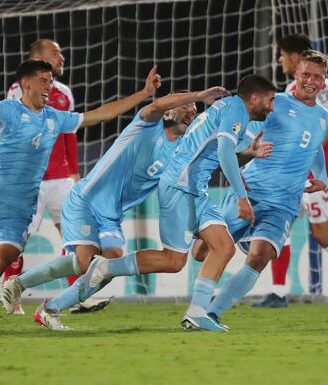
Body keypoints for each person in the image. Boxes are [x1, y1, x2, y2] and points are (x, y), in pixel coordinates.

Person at [0, 47, 162, 326]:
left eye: (50, 81)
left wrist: (143, 94)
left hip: (20, 209)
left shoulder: (54, 117)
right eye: (43, 80)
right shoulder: (10, 110)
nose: (49, 86)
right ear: (26, 83)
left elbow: (100, 114)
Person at [0, 87, 230, 330]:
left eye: (195, 111)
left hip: (112, 215)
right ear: (168, 111)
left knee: (107, 266)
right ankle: (21, 284)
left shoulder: (182, 151)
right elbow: (156, 105)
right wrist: (198, 96)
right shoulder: (147, 124)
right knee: (85, 262)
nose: (191, 113)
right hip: (86, 201)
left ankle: (49, 308)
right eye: (185, 107)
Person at [78, 75, 277, 331]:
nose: (272, 107)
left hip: (195, 189)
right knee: (173, 260)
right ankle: (106, 266)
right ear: (255, 98)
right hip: (181, 186)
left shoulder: (229, 108)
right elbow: (224, 152)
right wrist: (241, 196)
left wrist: (248, 155)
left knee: (224, 247)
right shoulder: (235, 110)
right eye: (270, 100)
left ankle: (197, 312)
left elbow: (217, 154)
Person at [185, 50, 328, 329]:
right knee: (201, 252)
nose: (311, 81)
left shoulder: (325, 118)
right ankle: (201, 304)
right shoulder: (276, 104)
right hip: (252, 191)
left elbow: (314, 146)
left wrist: (322, 176)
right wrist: (243, 159)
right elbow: (247, 137)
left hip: (284, 204)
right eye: (306, 74)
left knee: (260, 256)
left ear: (324, 80)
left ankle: (209, 313)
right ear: (296, 74)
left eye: (318, 77)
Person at [256, 34, 328, 308]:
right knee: (280, 223)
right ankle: (278, 292)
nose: (279, 59)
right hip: (293, 172)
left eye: (282, 54)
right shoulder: (291, 89)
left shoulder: (322, 86)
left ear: (294, 57)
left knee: (321, 233)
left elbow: (326, 130)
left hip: (318, 172)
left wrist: (307, 163)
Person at [2, 39, 94, 315]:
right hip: (31, 180)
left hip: (62, 178)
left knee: (75, 238)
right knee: (18, 242)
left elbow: (69, 136)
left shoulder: (64, 93)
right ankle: (13, 297)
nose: (62, 57)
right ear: (38, 58)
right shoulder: (17, 91)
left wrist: (75, 174)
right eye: (56, 53)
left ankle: (76, 297)